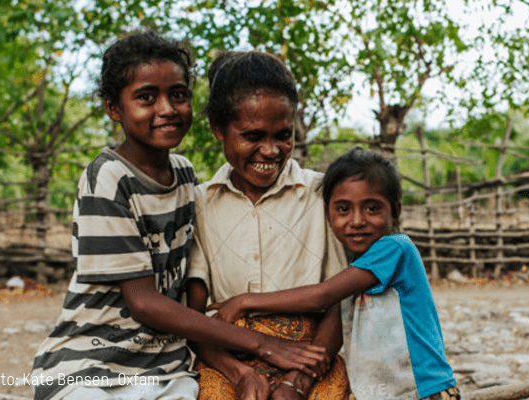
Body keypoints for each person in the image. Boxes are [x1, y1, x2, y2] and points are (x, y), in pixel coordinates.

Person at [30, 31, 327, 400]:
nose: (167, 108)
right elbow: (144, 301)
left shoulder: (185, 177)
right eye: (146, 97)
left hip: (165, 368)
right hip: (91, 362)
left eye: (178, 94)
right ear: (113, 107)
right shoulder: (107, 178)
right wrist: (263, 346)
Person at [207, 147, 462, 400]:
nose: (357, 220)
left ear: (395, 210)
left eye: (372, 208)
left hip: (425, 390)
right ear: (328, 214)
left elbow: (322, 296)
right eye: (343, 209)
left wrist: (244, 301)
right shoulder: (356, 267)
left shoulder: (396, 248)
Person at [186, 51, 351, 400]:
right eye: (253, 135)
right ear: (218, 128)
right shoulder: (200, 203)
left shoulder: (320, 194)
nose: (271, 150)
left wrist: (297, 382)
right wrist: (240, 373)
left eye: (283, 135)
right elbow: (194, 319)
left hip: (311, 361)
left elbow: (339, 301)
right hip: (228, 361)